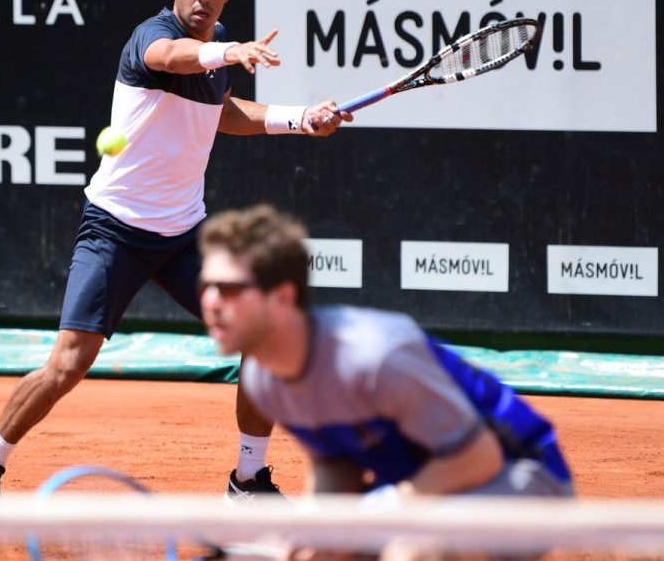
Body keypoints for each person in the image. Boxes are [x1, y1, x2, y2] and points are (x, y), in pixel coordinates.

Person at [0, 0, 353, 501]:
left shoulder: (218, 45)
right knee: (70, 362)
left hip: (184, 232)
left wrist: (299, 119)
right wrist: (230, 52)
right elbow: (170, 60)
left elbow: (225, 112)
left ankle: (247, 480)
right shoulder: (154, 35)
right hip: (115, 227)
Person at [197, 204, 575, 555]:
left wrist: (377, 512)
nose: (211, 302)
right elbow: (335, 464)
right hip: (422, 480)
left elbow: (478, 456)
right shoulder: (265, 379)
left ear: (281, 298)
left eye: (229, 289)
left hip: (522, 475)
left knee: (416, 551)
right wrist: (316, 528)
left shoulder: (376, 358)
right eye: (206, 287)